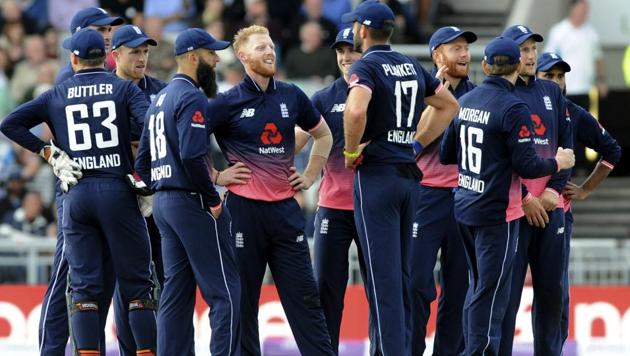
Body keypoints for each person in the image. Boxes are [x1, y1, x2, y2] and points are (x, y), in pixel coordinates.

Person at [1, 28, 156, 355]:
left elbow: (9, 123)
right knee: (138, 288)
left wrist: (47, 152)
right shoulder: (124, 89)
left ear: (73, 59)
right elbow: (153, 125)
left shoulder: (57, 93)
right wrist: (141, 169)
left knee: (84, 291)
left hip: (76, 195)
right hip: (118, 190)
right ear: (108, 57)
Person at [439, 36, 575, 356]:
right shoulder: (513, 107)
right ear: (516, 67)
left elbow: (447, 154)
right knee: (493, 293)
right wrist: (559, 162)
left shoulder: (467, 100)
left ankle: (471, 349)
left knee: (477, 289)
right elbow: (527, 165)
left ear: (485, 66)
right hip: (497, 213)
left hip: (464, 207)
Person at [206, 24, 335, 355]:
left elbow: (324, 135)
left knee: (306, 297)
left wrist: (309, 174)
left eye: (271, 46)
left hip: (284, 211)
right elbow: (188, 141)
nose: (269, 51)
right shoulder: (226, 102)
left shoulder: (291, 95)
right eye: (261, 47)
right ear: (243, 56)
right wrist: (216, 176)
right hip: (244, 212)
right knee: (243, 302)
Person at [341, 1, 459, 354]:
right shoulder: (410, 64)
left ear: (362, 30)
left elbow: (357, 109)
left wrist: (350, 152)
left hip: (377, 175)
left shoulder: (365, 66)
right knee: (403, 276)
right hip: (410, 178)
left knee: (383, 282)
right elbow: (448, 106)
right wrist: (416, 142)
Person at [134, 28, 241, 356]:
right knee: (226, 293)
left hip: (165, 204)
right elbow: (193, 155)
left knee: (175, 296)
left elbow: (141, 161)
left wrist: (161, 185)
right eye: (212, 54)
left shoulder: (161, 97)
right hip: (191, 200)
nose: (218, 59)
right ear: (194, 57)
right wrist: (212, 199)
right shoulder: (191, 95)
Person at [38, 9, 123, 354]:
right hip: (75, 191)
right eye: (99, 29)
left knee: (100, 283)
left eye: (109, 29)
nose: (107, 35)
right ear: (78, 36)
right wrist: (49, 154)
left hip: (105, 189)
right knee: (65, 279)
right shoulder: (67, 78)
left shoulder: (109, 74)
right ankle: (50, 350)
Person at [535, 52, 622, 350]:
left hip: (556, 213)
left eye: (561, 77)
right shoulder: (520, 109)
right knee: (505, 290)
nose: (557, 82)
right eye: (549, 76)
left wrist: (585, 189)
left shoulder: (573, 113)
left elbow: (612, 151)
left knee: (554, 292)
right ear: (534, 76)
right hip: (518, 211)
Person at [294, 27, 370, 354]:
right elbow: (294, 139)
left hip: (373, 208)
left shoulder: (377, 93)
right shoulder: (324, 97)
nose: (345, 57)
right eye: (340, 51)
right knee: (326, 292)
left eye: (351, 50)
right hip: (333, 208)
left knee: (384, 293)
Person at [499, 25, 573, 356]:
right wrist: (526, 198)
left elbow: (566, 150)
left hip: (550, 208)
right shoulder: (499, 94)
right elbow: (497, 158)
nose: (529, 56)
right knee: (507, 296)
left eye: (532, 50)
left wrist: (552, 193)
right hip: (514, 211)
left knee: (551, 294)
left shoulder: (551, 92)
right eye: (523, 50)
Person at [411, 25, 476, 356]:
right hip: (426, 196)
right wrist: (436, 97)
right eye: (456, 48)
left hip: (466, 197)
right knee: (417, 283)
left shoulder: (479, 95)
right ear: (437, 55)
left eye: (466, 48)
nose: (464, 54)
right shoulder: (416, 94)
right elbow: (415, 142)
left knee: (460, 288)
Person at [111, 24, 167, 356]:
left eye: (145, 51)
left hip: (157, 197)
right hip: (119, 197)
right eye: (135, 52)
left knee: (167, 275)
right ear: (115, 55)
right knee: (126, 282)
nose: (142, 58)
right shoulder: (103, 90)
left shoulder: (161, 91)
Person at [544, 0, 607, 110]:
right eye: (583, 9)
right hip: (565, 89)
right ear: (573, 9)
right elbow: (547, 59)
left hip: (586, 89)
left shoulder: (591, 33)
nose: (585, 13)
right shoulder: (558, 31)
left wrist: (601, 80)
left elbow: (598, 58)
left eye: (586, 10)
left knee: (583, 124)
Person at [56, 7, 125, 84]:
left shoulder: (111, 70)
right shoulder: (67, 78)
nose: (108, 37)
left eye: (109, 30)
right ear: (81, 33)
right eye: (101, 30)